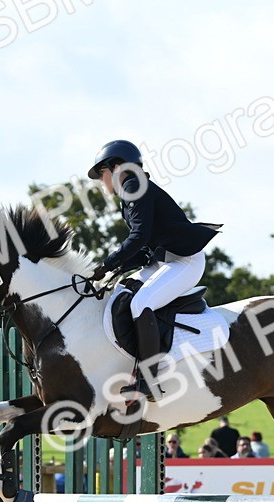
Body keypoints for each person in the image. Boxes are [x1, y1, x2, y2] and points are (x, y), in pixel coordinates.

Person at [87, 140, 219, 402]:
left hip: (185, 262)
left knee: (141, 303)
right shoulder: (132, 189)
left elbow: (138, 237)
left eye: (102, 175)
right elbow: (143, 246)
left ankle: (148, 379)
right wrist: (114, 271)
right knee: (122, 292)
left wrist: (109, 263)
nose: (102, 183)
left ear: (115, 167)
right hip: (164, 261)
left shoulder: (134, 186)